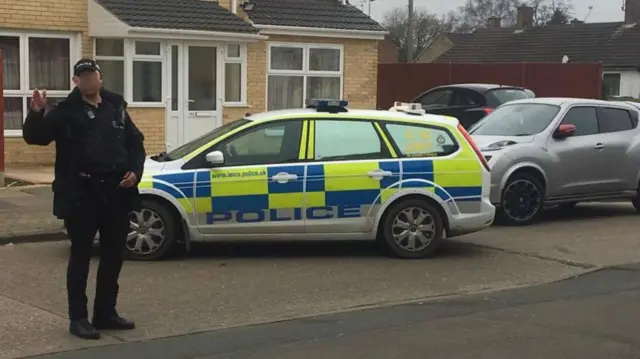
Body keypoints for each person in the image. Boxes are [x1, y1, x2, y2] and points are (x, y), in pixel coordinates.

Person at [22, 59, 146, 340]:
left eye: (91, 75)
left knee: (114, 254)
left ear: (100, 78)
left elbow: (136, 143)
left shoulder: (116, 106)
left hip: (116, 192)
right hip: (82, 193)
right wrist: (36, 113)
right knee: (80, 256)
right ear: (76, 81)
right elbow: (36, 137)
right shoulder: (66, 112)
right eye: (82, 77)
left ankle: (105, 313)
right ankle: (78, 318)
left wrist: (135, 171)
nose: (88, 81)